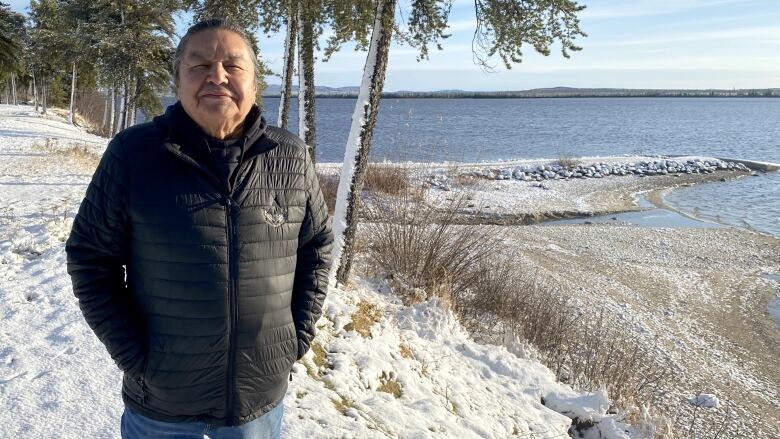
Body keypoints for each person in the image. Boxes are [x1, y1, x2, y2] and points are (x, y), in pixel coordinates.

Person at [65, 18, 333, 438]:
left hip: (257, 401)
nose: (217, 76)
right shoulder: (133, 155)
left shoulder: (290, 157)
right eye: (199, 65)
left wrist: (294, 338)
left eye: (232, 64)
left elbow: (316, 246)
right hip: (162, 403)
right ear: (177, 81)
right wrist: (136, 358)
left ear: (254, 81)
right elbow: (89, 259)